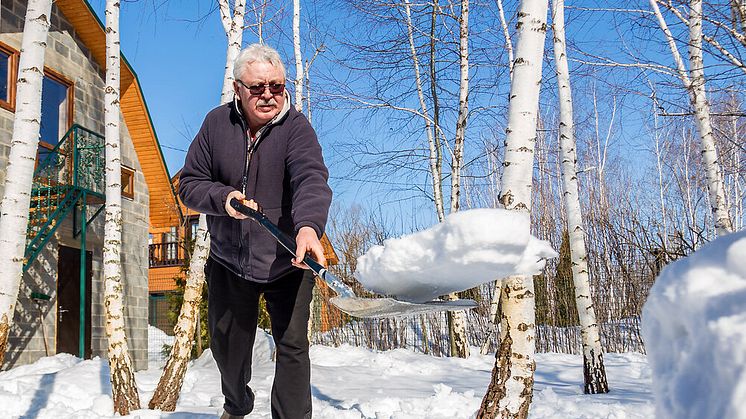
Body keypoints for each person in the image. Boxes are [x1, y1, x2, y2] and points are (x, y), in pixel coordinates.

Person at [179, 43, 332, 419]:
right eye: (257, 87)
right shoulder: (217, 124)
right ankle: (237, 405)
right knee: (228, 347)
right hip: (229, 261)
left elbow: (311, 179)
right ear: (237, 89)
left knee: (293, 346)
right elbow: (190, 183)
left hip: (289, 260)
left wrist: (309, 228)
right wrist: (223, 198)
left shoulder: (296, 128)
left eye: (276, 86)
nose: (268, 95)